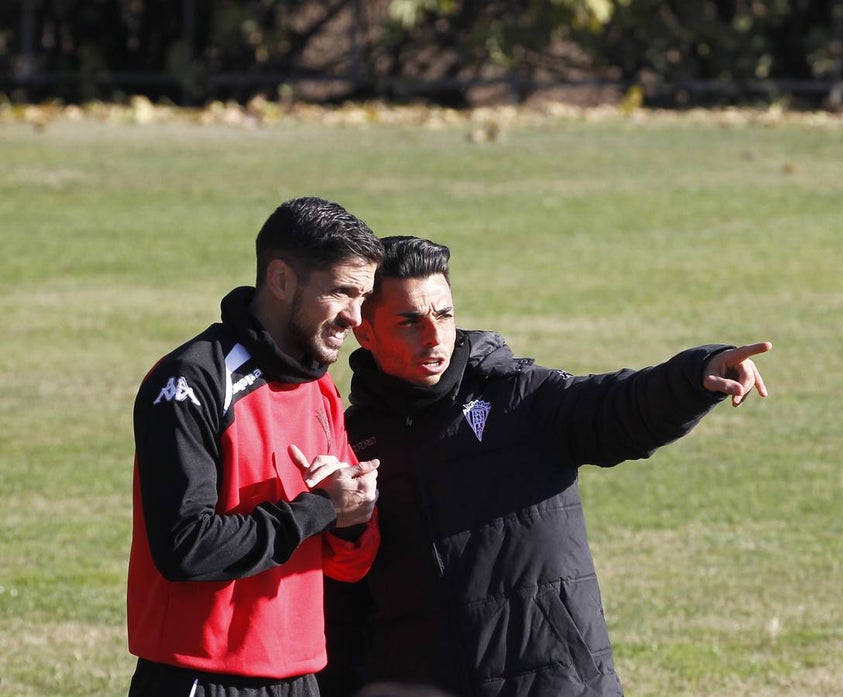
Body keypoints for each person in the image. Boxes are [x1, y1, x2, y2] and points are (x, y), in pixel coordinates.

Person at [320, 236, 770, 697]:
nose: (435, 336)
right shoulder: (350, 444)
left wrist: (696, 376)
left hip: (557, 683)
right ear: (366, 332)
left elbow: (619, 407)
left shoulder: (523, 400)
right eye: (410, 322)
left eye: (444, 315)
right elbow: (340, 608)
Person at [126, 197, 386, 697]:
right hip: (200, 677)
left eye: (363, 297)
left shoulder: (320, 389)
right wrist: (320, 509)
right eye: (340, 292)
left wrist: (355, 515)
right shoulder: (190, 382)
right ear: (282, 279)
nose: (355, 317)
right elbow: (186, 547)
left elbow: (347, 563)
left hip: (300, 677)